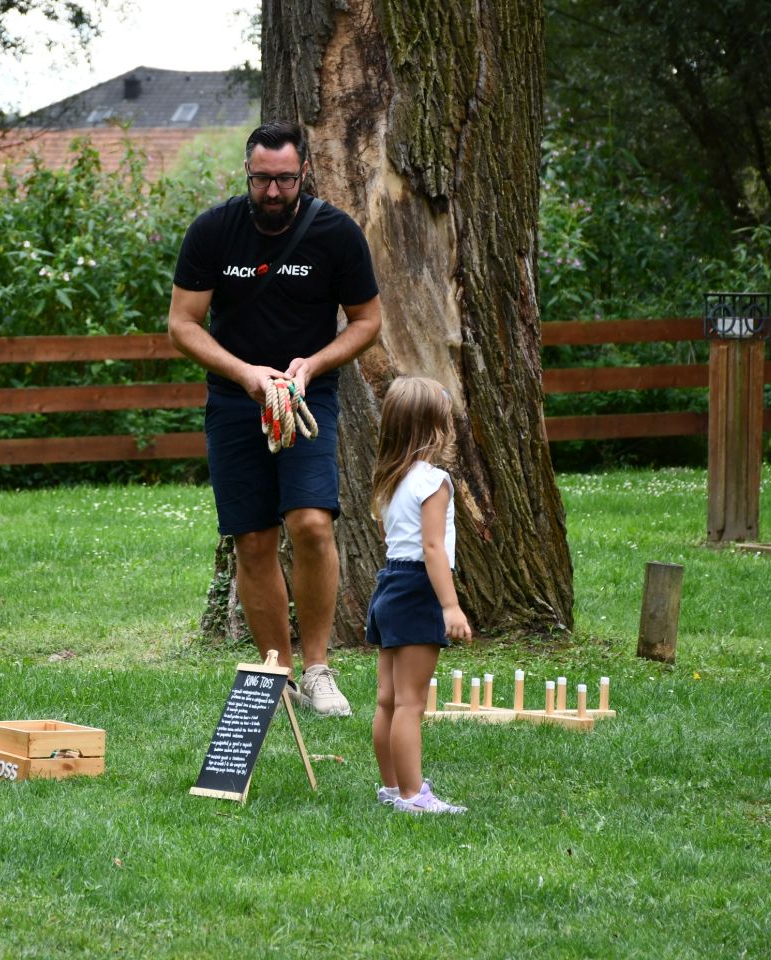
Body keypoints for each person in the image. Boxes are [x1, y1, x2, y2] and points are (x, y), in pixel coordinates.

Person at [168, 119, 382, 716]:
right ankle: (275, 673)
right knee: (254, 538)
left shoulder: (336, 235)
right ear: (247, 172)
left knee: (312, 524)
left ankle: (318, 669)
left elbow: (368, 322)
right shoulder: (213, 232)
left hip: (305, 398)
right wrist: (244, 373)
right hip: (237, 401)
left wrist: (311, 367)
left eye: (285, 179)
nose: (273, 191)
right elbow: (182, 324)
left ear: (304, 172)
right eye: (262, 179)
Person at [366, 378, 471, 814]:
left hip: (390, 585)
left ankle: (392, 787)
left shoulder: (390, 480)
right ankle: (413, 796)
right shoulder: (434, 481)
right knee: (412, 702)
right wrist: (450, 605)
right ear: (434, 428)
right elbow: (433, 550)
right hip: (416, 591)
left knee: (388, 700)